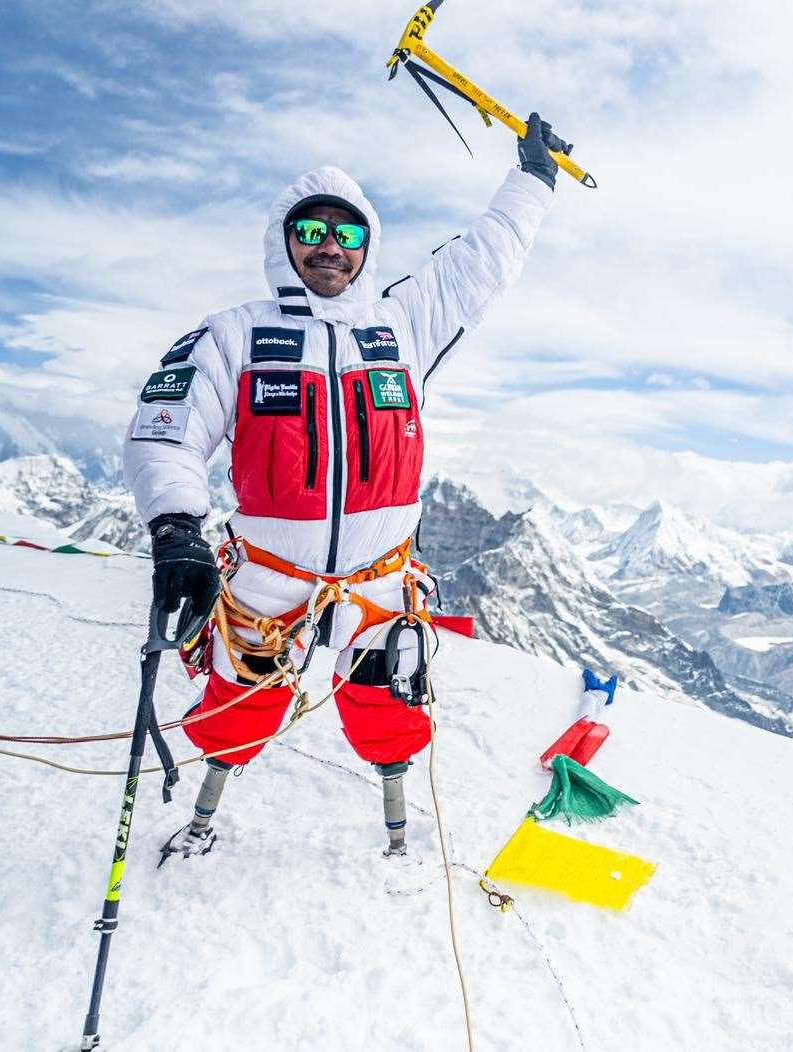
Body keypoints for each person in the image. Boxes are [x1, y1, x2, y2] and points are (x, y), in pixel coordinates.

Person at [124, 114, 560, 861]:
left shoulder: (402, 324)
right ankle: (203, 820)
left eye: (348, 235)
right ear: (283, 243)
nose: (331, 247)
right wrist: (176, 530)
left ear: (367, 246)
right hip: (266, 577)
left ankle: (397, 839)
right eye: (313, 232)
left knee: (389, 708)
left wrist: (534, 180)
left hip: (381, 582)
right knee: (236, 709)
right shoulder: (231, 334)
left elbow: (480, 261)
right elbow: (166, 431)